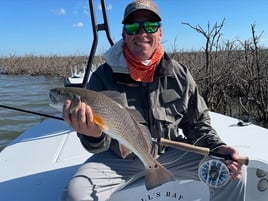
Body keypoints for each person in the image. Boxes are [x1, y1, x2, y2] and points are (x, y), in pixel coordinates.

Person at [61, 0, 246, 200]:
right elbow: (99, 144)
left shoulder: (180, 74)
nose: (142, 33)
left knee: (229, 173)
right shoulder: (102, 77)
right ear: (124, 35)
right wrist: (92, 135)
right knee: (76, 194)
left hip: (173, 151)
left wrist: (217, 147)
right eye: (133, 27)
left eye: (150, 26)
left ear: (160, 33)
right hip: (119, 159)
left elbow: (197, 124)